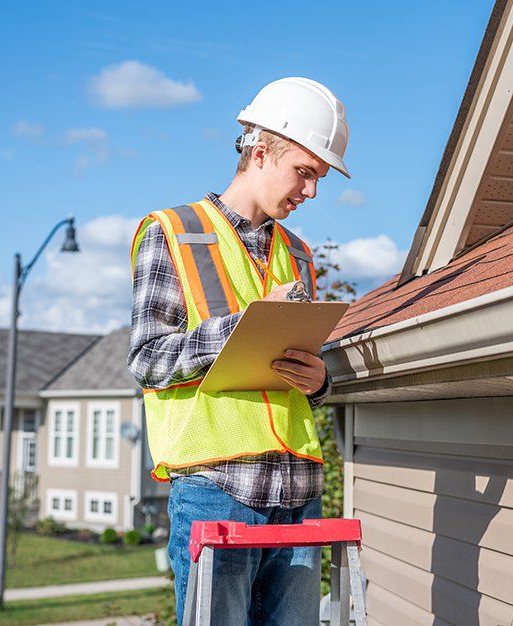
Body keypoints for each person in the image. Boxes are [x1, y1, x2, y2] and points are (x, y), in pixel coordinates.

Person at [127, 77, 351, 625]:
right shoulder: (172, 234)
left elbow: (294, 382)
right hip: (218, 488)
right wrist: (241, 327)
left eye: (319, 178)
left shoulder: (297, 255)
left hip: (299, 491)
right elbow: (148, 361)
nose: (311, 191)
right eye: (304, 172)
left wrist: (319, 381)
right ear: (259, 152)